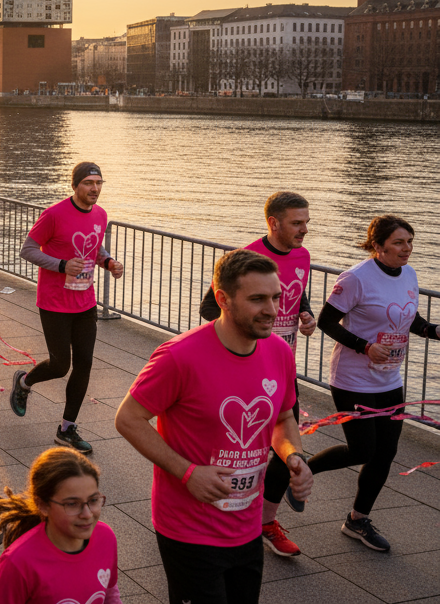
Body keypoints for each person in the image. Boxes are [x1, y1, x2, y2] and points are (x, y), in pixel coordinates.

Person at [115, 249, 313, 604]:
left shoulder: (280, 353)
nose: (273, 310)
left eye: (275, 297)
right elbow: (128, 418)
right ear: (222, 299)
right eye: (257, 299)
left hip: (247, 525)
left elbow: (283, 417)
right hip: (189, 530)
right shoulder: (179, 356)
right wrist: (188, 472)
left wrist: (293, 455)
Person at [298, 215, 440, 552]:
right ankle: (302, 468)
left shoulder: (408, 273)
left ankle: (357, 520)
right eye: (399, 243)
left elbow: (408, 317)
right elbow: (327, 321)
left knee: (385, 453)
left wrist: (433, 330)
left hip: (390, 378)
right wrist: (365, 346)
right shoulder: (357, 278)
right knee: (362, 449)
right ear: (378, 246)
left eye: (409, 242)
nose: (407, 249)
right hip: (353, 378)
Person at [198, 191, 315, 557]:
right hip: (243, 368)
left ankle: (265, 521)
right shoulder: (248, 259)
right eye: (297, 223)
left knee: (289, 449)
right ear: (273, 223)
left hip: (282, 367)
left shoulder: (303, 256)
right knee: (234, 448)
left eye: (307, 222)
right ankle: (206, 510)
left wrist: (304, 313)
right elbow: (208, 307)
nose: (304, 230)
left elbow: (295, 290)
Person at [11, 162, 125, 453]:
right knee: (60, 365)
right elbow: (28, 250)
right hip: (54, 302)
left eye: (99, 183)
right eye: (88, 183)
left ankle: (67, 428)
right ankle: (25, 382)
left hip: (85, 301)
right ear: (75, 185)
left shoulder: (100, 214)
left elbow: (94, 247)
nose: (95, 189)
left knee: (84, 363)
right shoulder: (54, 214)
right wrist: (61, 265)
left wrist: (108, 262)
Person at [0, 447, 121, 604]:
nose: (87, 514)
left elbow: (110, 593)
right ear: (43, 505)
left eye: (93, 500)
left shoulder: (106, 537)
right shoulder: (18, 562)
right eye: (72, 504)